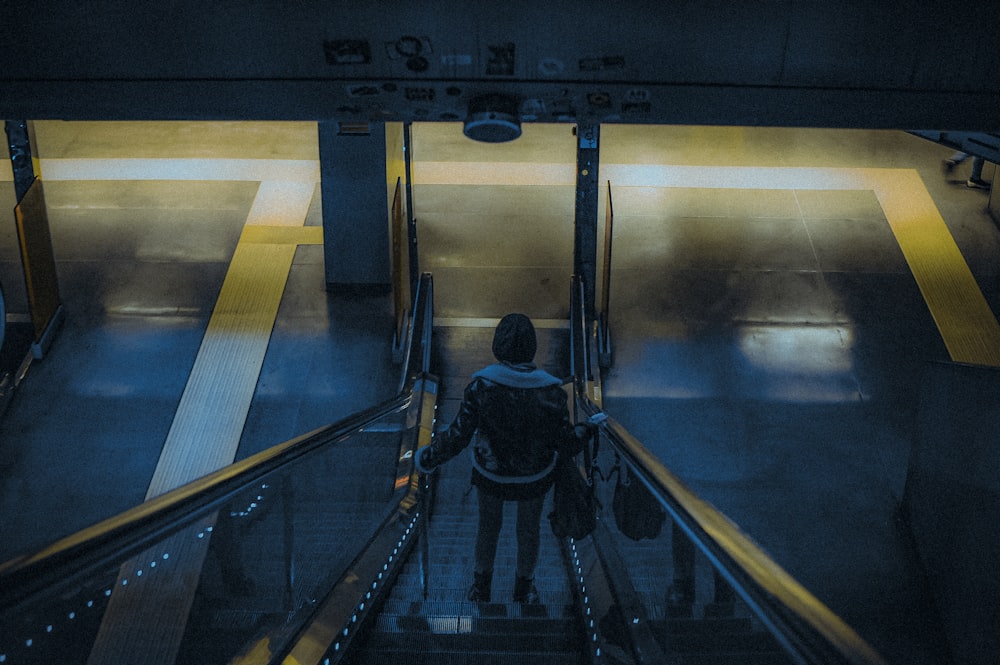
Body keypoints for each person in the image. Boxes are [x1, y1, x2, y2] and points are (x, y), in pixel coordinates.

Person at [415, 313, 595, 604]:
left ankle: (481, 587)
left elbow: (459, 436)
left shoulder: (481, 387)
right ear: (532, 348)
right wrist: (586, 430)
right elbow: (565, 442)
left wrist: (428, 458)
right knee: (528, 529)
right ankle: (524, 588)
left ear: (498, 346)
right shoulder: (551, 392)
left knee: (488, 527)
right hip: (534, 475)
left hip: (491, 473)